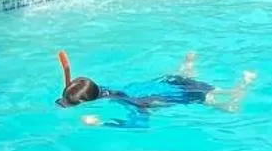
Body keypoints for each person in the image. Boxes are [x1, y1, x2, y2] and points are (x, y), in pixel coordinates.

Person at [55, 50, 255, 129]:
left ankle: (243, 85)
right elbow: (83, 90)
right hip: (165, 84)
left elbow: (141, 123)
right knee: (181, 79)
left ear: (85, 101)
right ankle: (188, 67)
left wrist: (101, 123)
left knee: (225, 105)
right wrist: (71, 93)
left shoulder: (125, 101)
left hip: (177, 95)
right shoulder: (100, 90)